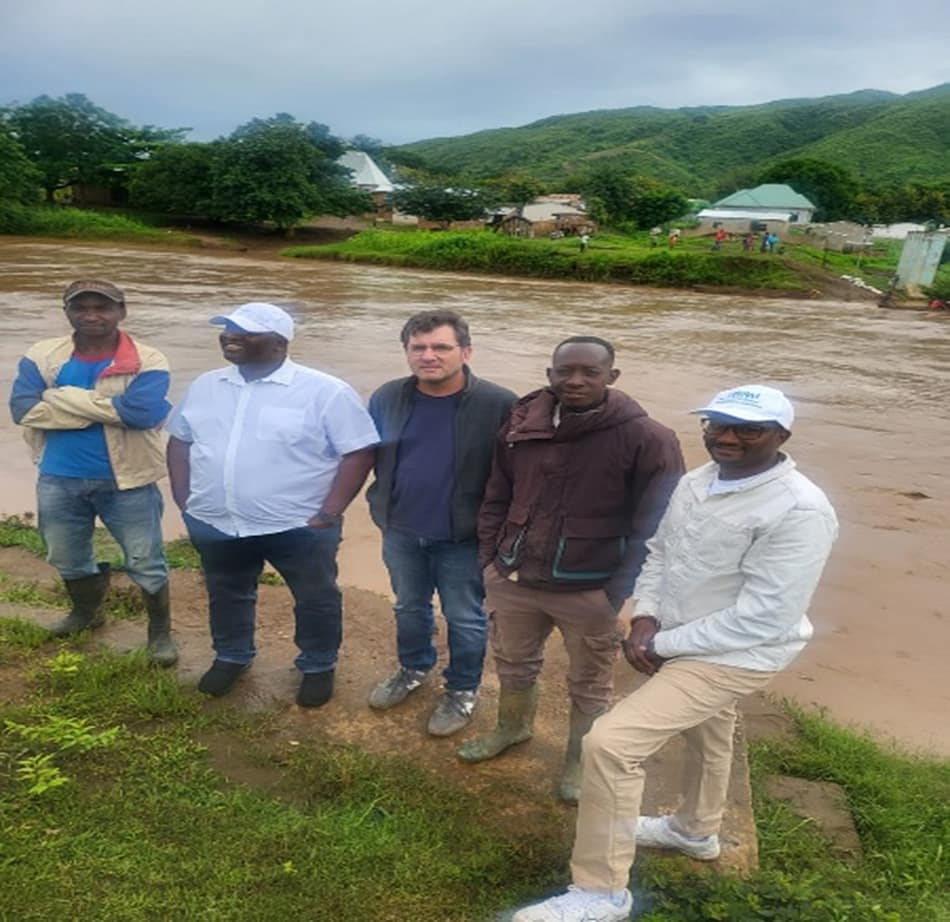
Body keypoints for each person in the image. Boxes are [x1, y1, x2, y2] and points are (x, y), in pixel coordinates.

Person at [510, 384, 838, 922]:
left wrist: (660, 643)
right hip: (676, 633)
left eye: (746, 429)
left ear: (781, 436)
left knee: (612, 746)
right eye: (716, 424)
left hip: (740, 652)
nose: (725, 437)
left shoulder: (799, 509)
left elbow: (764, 617)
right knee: (709, 729)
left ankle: (601, 893)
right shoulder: (698, 480)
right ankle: (695, 830)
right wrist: (645, 615)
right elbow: (662, 551)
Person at [459, 337, 684, 803]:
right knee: (513, 661)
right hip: (514, 577)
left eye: (590, 372)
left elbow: (658, 525)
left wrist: (617, 591)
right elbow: (496, 494)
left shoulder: (649, 438)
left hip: (591, 588)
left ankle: (580, 761)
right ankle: (513, 729)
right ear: (550, 374)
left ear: (612, 377)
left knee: (590, 679)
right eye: (566, 371)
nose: (576, 381)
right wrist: (489, 561)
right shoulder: (522, 424)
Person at [166, 302, 378, 706]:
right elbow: (180, 439)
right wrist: (185, 498)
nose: (231, 336)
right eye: (227, 329)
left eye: (245, 331)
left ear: (280, 342)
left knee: (316, 597)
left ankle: (317, 665)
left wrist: (330, 512)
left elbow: (360, 452)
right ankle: (231, 656)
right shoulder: (207, 385)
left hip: (299, 525)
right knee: (226, 592)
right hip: (216, 520)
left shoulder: (325, 391)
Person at [8, 280, 177, 666]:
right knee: (66, 554)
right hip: (57, 476)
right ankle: (86, 613)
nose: (91, 315)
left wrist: (62, 396)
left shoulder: (149, 360)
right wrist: (106, 408)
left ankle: (160, 634)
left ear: (121, 311)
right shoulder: (43, 355)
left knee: (144, 558)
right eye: (80, 307)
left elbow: (143, 415)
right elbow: (23, 410)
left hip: (128, 480)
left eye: (102, 307)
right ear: (67, 312)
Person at [366, 311, 517, 736]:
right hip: (400, 529)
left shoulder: (499, 404)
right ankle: (413, 669)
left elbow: (519, 472)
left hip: (464, 537)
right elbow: (366, 455)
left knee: (465, 617)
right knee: (408, 606)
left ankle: (462, 690)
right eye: (419, 347)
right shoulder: (388, 396)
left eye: (440, 347)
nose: (428, 356)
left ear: (465, 352)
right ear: (407, 352)